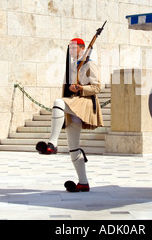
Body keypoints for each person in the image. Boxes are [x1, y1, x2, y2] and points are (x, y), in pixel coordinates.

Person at [36, 38, 103, 192]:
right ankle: (83, 183)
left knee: (58, 103)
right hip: (74, 104)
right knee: (73, 147)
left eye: (74, 48)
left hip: (84, 103)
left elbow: (97, 88)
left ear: (81, 48)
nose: (71, 51)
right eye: (70, 49)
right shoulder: (73, 66)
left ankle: (52, 144)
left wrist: (80, 88)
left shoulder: (90, 64)